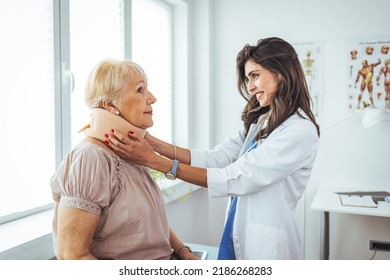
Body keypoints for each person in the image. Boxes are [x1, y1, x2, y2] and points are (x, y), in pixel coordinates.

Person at [105, 37, 320, 260]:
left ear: (281, 72)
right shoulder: (264, 122)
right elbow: (219, 157)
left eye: (255, 76)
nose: (250, 86)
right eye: (248, 78)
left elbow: (237, 178)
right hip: (238, 232)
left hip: (267, 246)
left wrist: (154, 161)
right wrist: (153, 143)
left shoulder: (299, 131)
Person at [49, 59, 197, 260]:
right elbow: (71, 256)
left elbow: (149, 222)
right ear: (110, 105)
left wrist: (182, 251)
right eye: (140, 90)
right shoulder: (91, 159)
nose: (152, 98)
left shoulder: (131, 154)